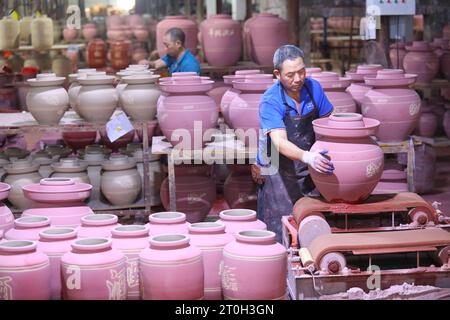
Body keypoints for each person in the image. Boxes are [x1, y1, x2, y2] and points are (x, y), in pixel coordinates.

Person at [252, 45, 335, 243]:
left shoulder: (313, 88)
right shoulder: (271, 101)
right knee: (280, 232)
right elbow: (279, 142)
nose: (298, 79)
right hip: (276, 171)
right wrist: (308, 156)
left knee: (311, 228)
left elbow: (329, 123)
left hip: (307, 167)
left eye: (301, 71)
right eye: (290, 75)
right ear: (277, 74)